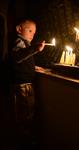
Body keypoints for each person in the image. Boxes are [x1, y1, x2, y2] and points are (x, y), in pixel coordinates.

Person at [8, 18, 45, 148]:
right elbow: (17, 57)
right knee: (23, 115)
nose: (32, 34)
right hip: (21, 86)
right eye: (29, 30)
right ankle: (23, 142)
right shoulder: (19, 42)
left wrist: (34, 67)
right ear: (19, 29)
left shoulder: (26, 45)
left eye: (34, 33)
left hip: (26, 84)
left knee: (28, 113)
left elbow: (23, 60)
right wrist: (35, 48)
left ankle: (25, 139)